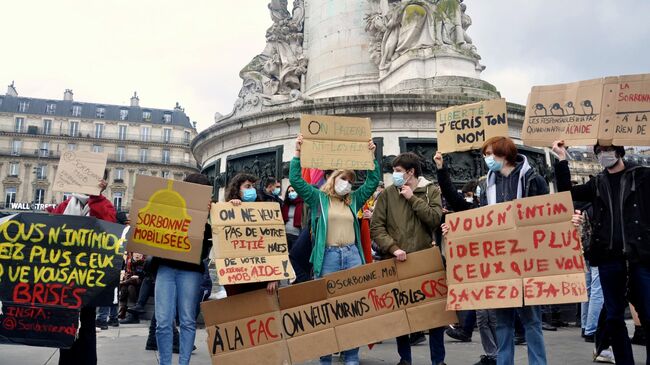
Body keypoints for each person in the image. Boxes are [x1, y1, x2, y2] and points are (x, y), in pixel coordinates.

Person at [552, 140, 650, 365]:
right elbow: (566, 193)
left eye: (608, 150)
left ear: (620, 151)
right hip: (608, 257)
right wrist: (561, 158)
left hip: (639, 256)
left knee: (647, 314)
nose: (604, 154)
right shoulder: (598, 183)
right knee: (614, 317)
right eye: (600, 152)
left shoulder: (642, 176)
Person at [290, 133, 380, 365]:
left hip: (352, 257)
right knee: (327, 312)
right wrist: (298, 153)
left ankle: (351, 357)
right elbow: (297, 181)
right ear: (333, 179)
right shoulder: (318, 198)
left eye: (350, 180)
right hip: (328, 258)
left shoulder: (354, 199)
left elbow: (372, 182)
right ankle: (326, 359)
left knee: (353, 311)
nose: (347, 184)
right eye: (343, 179)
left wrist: (371, 156)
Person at [479, 136, 549, 365]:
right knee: (503, 321)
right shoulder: (487, 184)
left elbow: (545, 215)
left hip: (526, 257)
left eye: (491, 154)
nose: (488, 158)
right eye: (485, 154)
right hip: (500, 258)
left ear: (504, 153)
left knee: (532, 320)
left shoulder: (532, 179)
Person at [371, 151, 444, 365]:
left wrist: (412, 198)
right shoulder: (387, 195)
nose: (394, 175)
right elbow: (377, 226)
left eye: (397, 171)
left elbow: (434, 219)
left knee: (434, 315)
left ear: (410, 172)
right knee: (401, 312)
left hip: (425, 261)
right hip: (397, 261)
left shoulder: (430, 190)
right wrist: (392, 248)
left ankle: (438, 360)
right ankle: (405, 359)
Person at [434, 151, 496, 365]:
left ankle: (500, 353)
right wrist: (441, 169)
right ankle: (492, 354)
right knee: (482, 316)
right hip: (478, 269)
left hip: (497, 267)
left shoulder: (500, 210)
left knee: (494, 316)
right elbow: (453, 196)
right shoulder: (473, 211)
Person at [48, 177, 116, 365]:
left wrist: (96, 197)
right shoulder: (65, 205)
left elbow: (109, 226)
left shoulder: (104, 205)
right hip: (64, 276)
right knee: (65, 324)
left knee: (86, 323)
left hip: (89, 277)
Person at [154, 173, 213, 365]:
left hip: (191, 271)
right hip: (166, 267)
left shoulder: (207, 219)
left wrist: (204, 218)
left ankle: (183, 363)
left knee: (187, 321)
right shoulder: (171, 210)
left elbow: (204, 250)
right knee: (163, 322)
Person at [223, 172, 279, 296]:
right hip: (237, 276)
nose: (252, 190)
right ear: (237, 190)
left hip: (261, 275)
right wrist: (231, 209)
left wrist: (274, 276)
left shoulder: (265, 213)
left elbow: (274, 244)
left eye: (253, 187)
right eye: (248, 187)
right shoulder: (226, 212)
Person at [282, 185, 304, 250]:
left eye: (293, 191)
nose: (291, 193)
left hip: (297, 236)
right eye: (289, 192)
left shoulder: (303, 204)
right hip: (285, 235)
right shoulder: (285, 204)